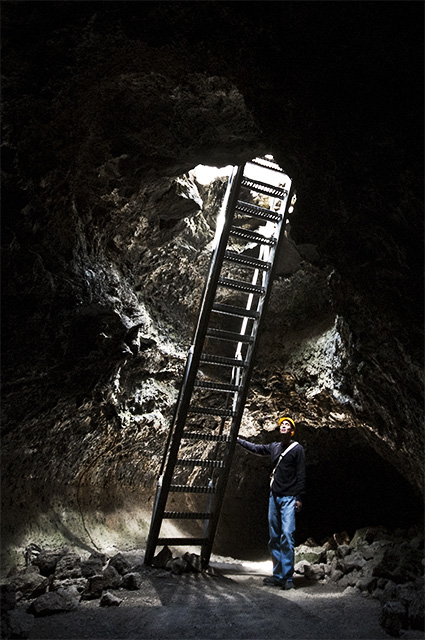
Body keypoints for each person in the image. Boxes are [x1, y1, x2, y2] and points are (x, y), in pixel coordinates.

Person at [236, 416, 306, 590]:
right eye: (282, 424)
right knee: (274, 537)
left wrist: (299, 498)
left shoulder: (298, 449)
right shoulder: (274, 447)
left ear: (292, 431)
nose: (284, 426)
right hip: (274, 497)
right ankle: (278, 575)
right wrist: (237, 440)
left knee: (287, 535)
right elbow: (256, 449)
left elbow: (301, 474)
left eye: (287, 425)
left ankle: (288, 577)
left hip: (289, 497)